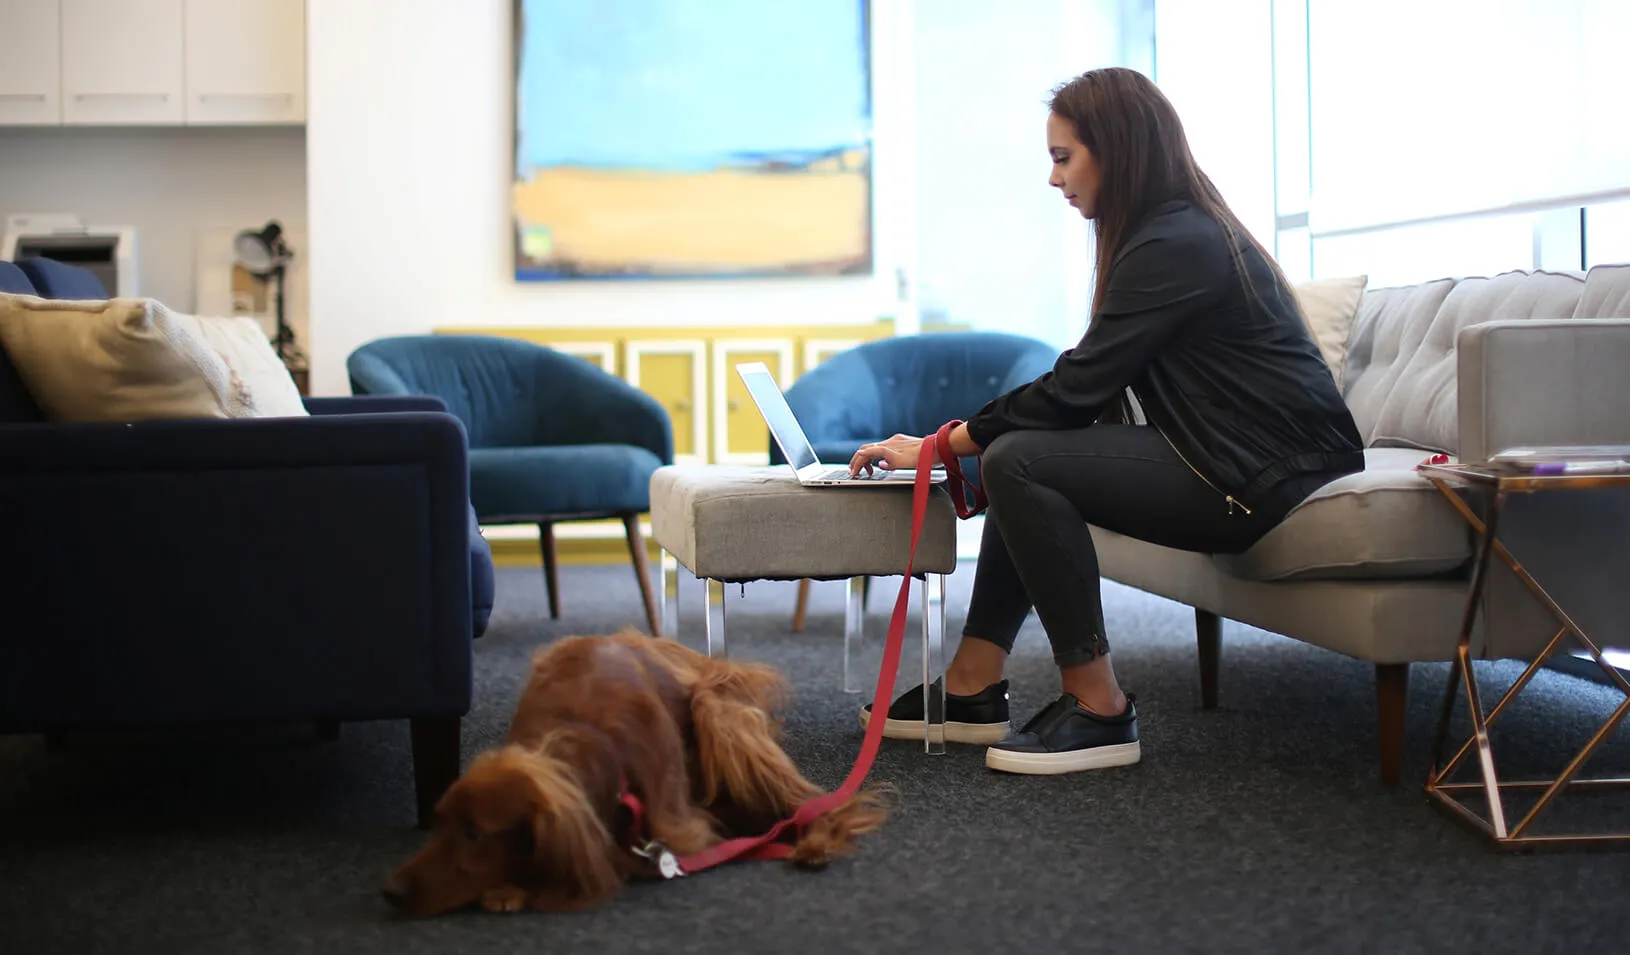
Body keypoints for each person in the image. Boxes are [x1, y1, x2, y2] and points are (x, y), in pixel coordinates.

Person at [849, 67, 1365, 777]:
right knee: (1023, 453)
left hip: (1266, 474)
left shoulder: (1177, 240)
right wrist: (965, 444)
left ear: (1116, 151)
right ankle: (972, 685)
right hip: (1237, 457)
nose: (1054, 178)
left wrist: (942, 446)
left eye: (1063, 157)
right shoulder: (1164, 233)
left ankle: (1098, 706)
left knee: (1018, 458)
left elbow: (1074, 390)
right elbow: (1082, 385)